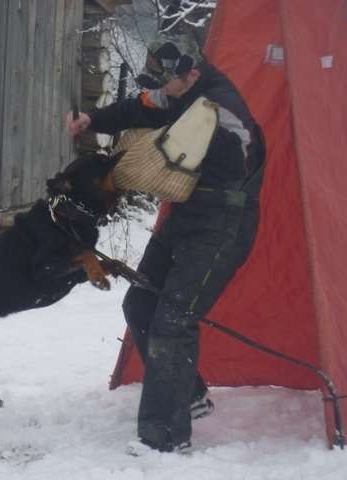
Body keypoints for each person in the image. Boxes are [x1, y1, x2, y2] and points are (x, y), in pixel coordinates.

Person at [67, 36, 265, 453]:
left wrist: (171, 150)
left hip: (224, 221)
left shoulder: (220, 108)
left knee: (174, 320)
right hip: (187, 214)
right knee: (140, 303)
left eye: (168, 83)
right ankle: (189, 396)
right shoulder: (179, 92)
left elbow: (244, 158)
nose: (161, 91)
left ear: (191, 73)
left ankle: (164, 437)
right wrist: (93, 119)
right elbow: (141, 106)